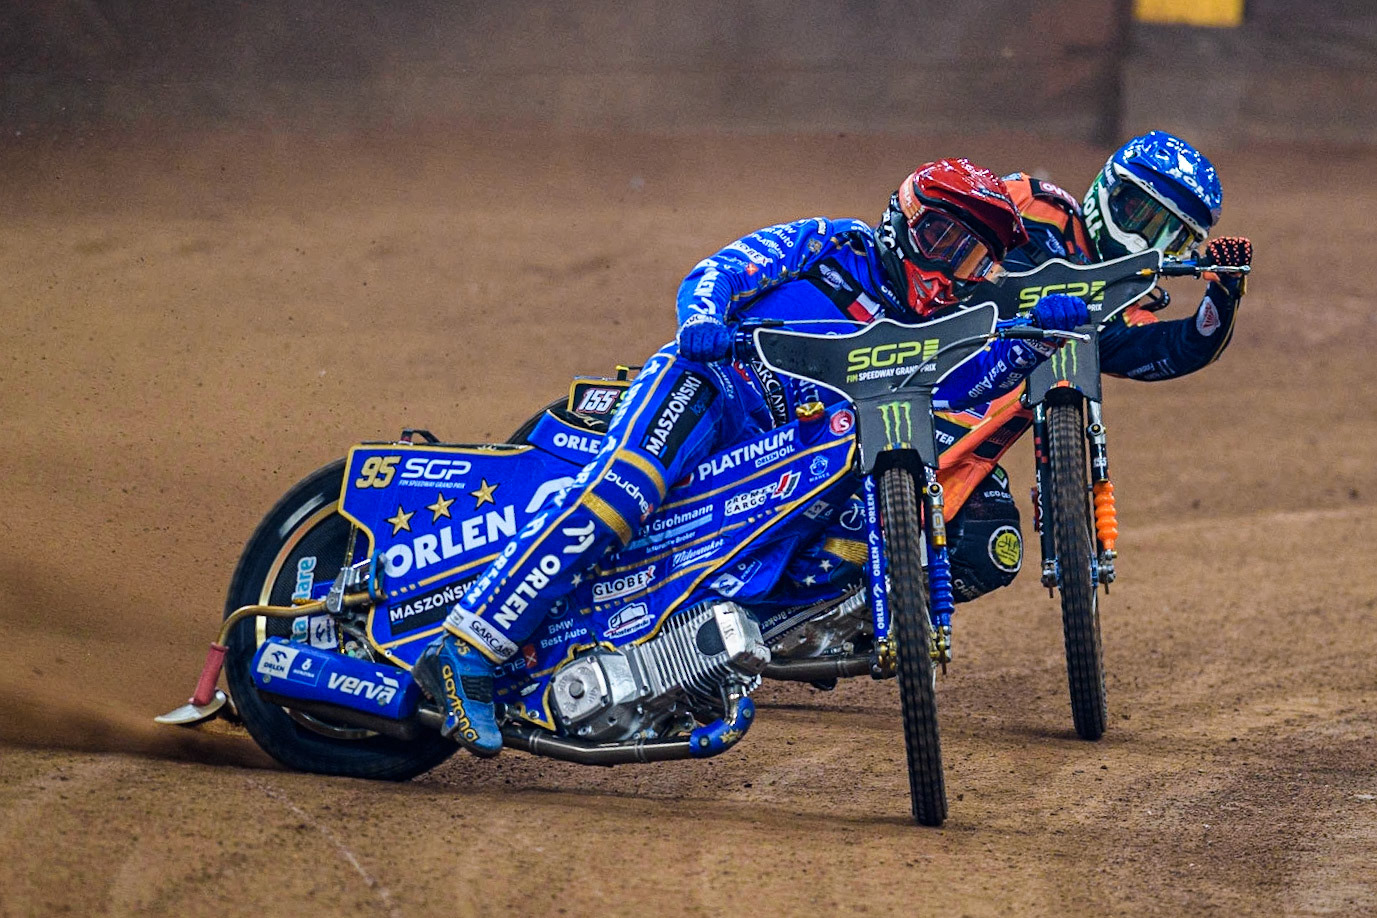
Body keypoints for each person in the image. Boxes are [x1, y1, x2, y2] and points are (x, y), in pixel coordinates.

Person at [411, 158, 1091, 757]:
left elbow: (956, 391)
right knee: (623, 490)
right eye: (940, 239)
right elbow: (727, 268)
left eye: (970, 259)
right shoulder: (836, 242)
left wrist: (1033, 342)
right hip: (712, 386)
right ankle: (468, 648)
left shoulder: (932, 328)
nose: (946, 269)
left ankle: (669, 662)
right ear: (900, 220)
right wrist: (703, 318)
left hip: (783, 455)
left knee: (809, 553)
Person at [934, 131, 1253, 604]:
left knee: (990, 553)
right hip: (912, 377)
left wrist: (1224, 293)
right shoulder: (1029, 201)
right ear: (1110, 191)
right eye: (1141, 216)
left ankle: (895, 618)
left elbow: (1187, 347)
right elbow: (932, 236)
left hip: (969, 450)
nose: (1147, 241)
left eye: (1172, 236)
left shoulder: (1123, 308)